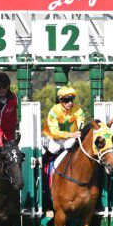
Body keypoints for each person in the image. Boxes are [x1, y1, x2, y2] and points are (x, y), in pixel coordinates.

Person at [40, 86, 86, 217]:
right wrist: (71, 134)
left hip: (69, 139)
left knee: (72, 144)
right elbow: (54, 132)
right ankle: (42, 173)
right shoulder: (54, 111)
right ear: (60, 100)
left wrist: (77, 133)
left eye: (71, 99)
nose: (70, 103)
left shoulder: (78, 110)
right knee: (54, 148)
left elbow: (81, 123)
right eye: (66, 100)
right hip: (54, 138)